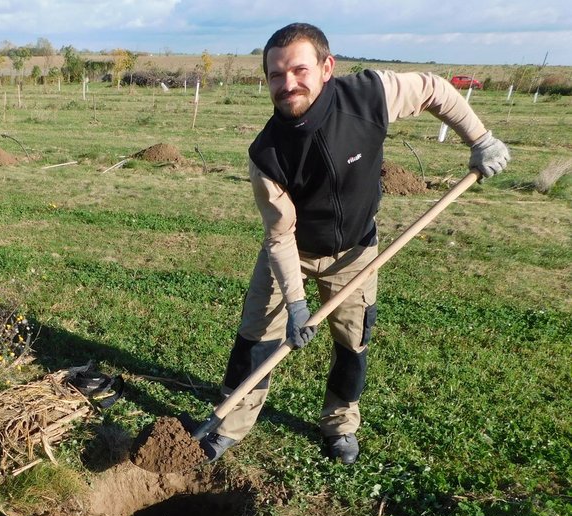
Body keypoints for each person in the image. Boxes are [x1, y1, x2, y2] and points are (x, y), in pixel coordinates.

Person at [201, 22, 510, 464]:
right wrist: (295, 304)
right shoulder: (266, 154)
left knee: (352, 343)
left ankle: (340, 424)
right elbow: (279, 235)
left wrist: (480, 139)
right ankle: (229, 425)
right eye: (275, 75)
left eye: (299, 70)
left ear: (327, 67)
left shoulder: (369, 96)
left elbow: (435, 90)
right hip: (294, 254)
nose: (287, 84)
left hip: (356, 254)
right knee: (255, 341)